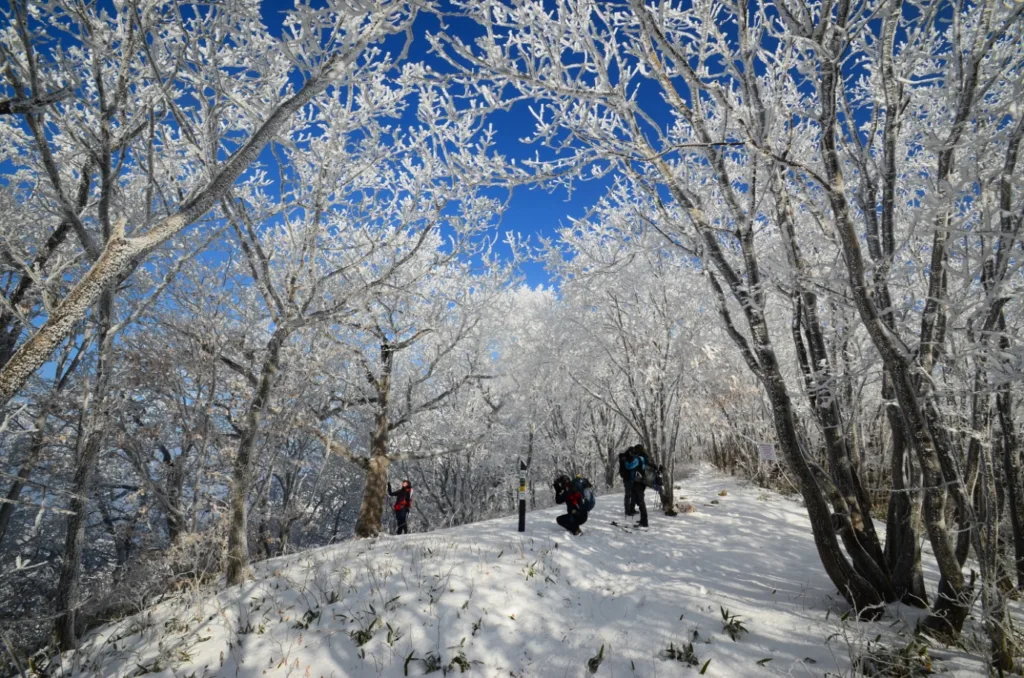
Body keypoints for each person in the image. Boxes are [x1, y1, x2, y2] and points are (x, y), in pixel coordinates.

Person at [623, 445, 649, 528]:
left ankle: (644, 521)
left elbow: (629, 466)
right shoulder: (644, 457)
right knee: (639, 500)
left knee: (641, 502)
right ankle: (643, 520)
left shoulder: (638, 459)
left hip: (638, 482)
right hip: (642, 482)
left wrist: (625, 461)